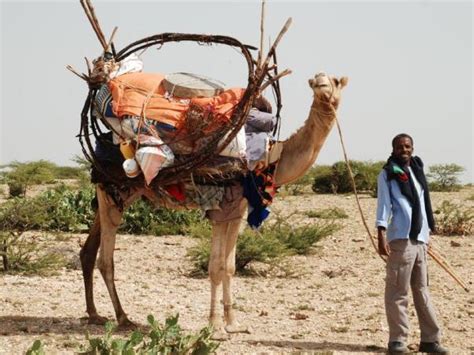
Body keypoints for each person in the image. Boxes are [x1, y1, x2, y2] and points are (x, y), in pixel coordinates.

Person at [376, 133, 448, 354]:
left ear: (412, 148)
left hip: (420, 240)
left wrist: (427, 237)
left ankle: (430, 339)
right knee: (398, 291)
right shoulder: (388, 174)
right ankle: (397, 340)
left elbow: (423, 205)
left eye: (407, 146)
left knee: (422, 291)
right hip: (401, 240)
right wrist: (380, 233)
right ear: (393, 150)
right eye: (399, 147)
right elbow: (384, 205)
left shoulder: (416, 171)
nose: (404, 150)